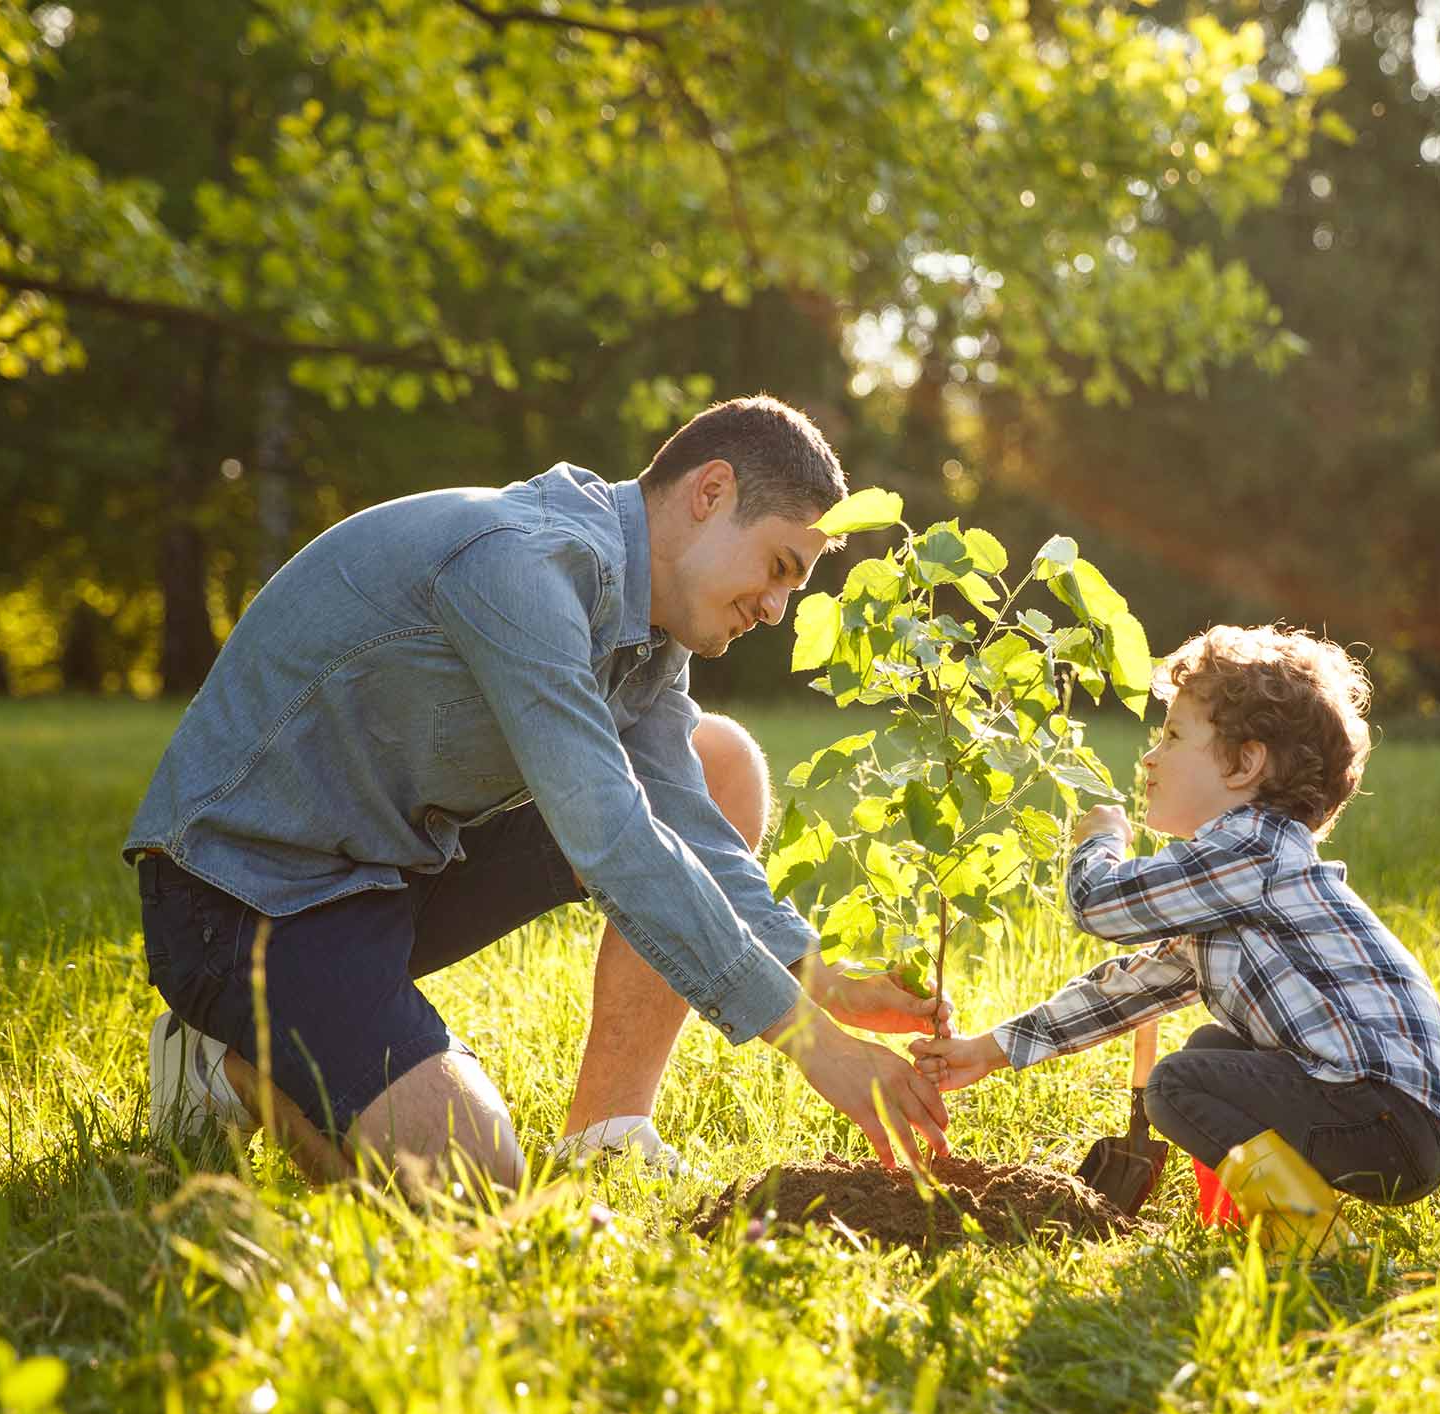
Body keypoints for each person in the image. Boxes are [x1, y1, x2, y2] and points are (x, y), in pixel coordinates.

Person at [126, 395, 951, 1197]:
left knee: (718, 762)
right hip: (243, 898)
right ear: (711, 492)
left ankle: (606, 1136)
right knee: (474, 1183)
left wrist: (818, 975)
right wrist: (813, 1045)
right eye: (779, 568)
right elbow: (614, 837)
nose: (776, 609)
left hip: (387, 871)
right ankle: (223, 1064)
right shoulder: (525, 564)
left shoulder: (650, 630)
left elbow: (686, 821)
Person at [909, 624, 1440, 1251]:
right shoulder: (1239, 882)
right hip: (1398, 1120)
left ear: (1245, 763)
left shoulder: (1250, 849)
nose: (1149, 758)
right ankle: (1250, 1224)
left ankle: (1314, 1243)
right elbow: (1128, 992)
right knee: (1210, 1047)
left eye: (1172, 737)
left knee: (1179, 1083)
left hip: (1382, 1113)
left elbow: (1098, 905)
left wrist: (1099, 842)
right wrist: (990, 1050)